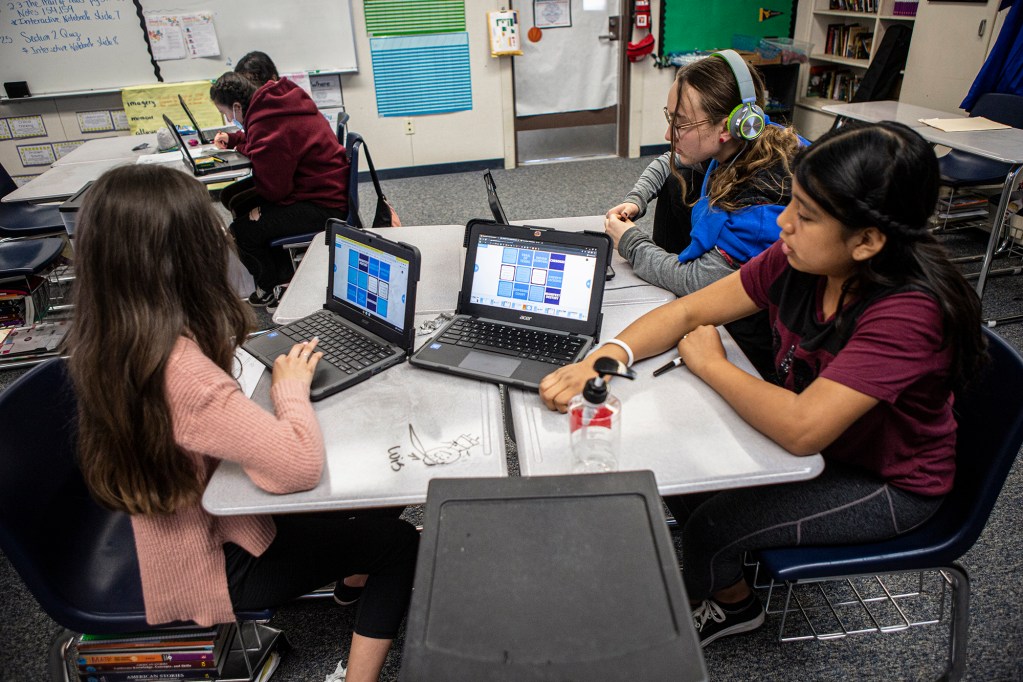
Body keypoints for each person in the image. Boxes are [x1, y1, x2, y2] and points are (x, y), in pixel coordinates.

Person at [540, 122, 987, 647]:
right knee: (682, 469)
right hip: (821, 442)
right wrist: (607, 357)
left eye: (806, 215)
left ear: (867, 241)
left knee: (712, 526)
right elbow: (689, 310)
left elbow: (803, 430)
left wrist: (712, 365)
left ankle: (733, 604)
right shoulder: (802, 257)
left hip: (887, 480)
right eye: (791, 204)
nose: (783, 223)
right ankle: (720, 570)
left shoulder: (907, 314)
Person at [67, 164, 419, 682]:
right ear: (184, 257)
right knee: (401, 542)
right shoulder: (181, 373)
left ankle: (350, 581)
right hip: (217, 560)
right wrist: (291, 389)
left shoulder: (113, 336)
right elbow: (293, 470)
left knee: (378, 486)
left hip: (188, 520)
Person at [604, 52, 805, 377]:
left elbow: (698, 284)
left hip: (753, 335)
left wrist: (631, 242)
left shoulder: (758, 207)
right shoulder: (748, 134)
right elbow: (668, 162)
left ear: (727, 127)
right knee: (676, 179)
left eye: (680, 123)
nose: (669, 135)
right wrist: (636, 200)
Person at [210, 71, 349, 309]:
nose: (227, 118)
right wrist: (237, 141)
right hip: (323, 186)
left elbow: (275, 192)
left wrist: (259, 210)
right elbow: (257, 142)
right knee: (236, 200)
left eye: (225, 113)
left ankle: (273, 285)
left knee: (241, 232)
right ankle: (282, 269)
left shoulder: (268, 124)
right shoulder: (274, 102)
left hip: (322, 204)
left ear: (236, 106)